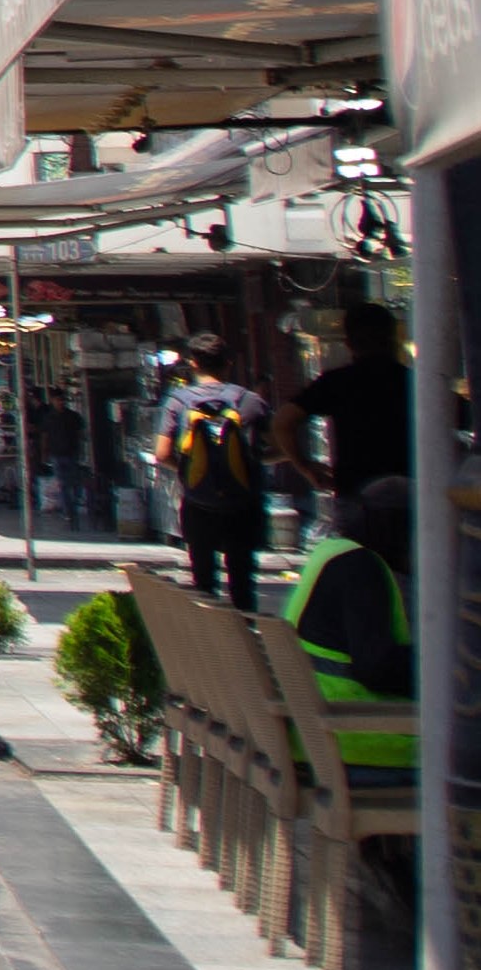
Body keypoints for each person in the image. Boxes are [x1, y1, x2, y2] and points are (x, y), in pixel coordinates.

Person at [281, 477, 417, 771]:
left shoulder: (332, 553)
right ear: (398, 529)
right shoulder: (363, 570)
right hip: (353, 743)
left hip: (314, 737)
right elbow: (375, 669)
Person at [152, 335, 272, 610]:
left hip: (198, 505)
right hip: (244, 505)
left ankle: (211, 647)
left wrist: (190, 469)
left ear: (193, 364)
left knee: (204, 582)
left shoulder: (178, 402)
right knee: (243, 582)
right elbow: (279, 448)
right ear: (228, 363)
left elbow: (161, 454)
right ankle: (246, 641)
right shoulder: (250, 401)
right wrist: (252, 460)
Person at [286, 299, 412, 497]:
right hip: (415, 497)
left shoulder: (336, 383)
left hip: (355, 496)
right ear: (394, 339)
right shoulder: (414, 383)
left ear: (349, 343)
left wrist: (306, 467)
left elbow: (282, 422)